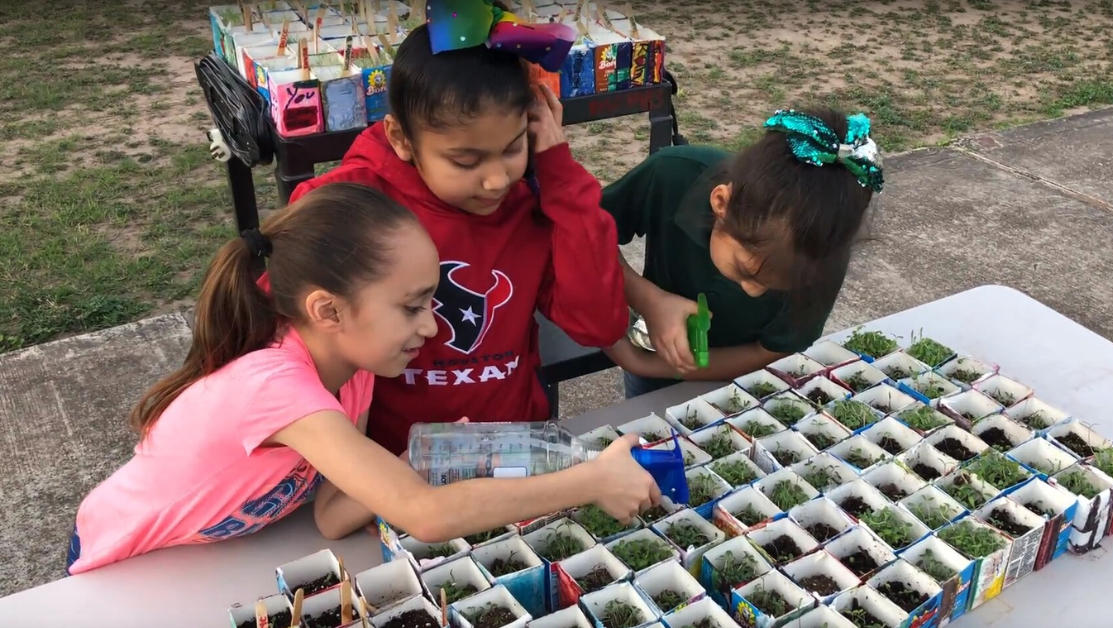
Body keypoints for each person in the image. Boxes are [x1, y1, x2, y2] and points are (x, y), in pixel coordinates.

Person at [66, 184, 657, 575]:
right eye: (412, 306)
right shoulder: (275, 385)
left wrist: (413, 461)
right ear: (328, 311)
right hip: (119, 565)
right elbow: (423, 515)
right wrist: (590, 481)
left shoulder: (354, 374)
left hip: (201, 561)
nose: (432, 326)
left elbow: (332, 513)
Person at [283, 14, 626, 455]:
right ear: (401, 139)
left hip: (514, 451)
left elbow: (597, 322)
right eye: (466, 162)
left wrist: (558, 170)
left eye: (513, 148)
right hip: (394, 468)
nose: (495, 181)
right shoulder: (356, 206)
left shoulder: (534, 202)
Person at [601, 108, 884, 397]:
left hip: (743, 385)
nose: (753, 292)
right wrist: (647, 299)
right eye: (745, 270)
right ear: (721, 203)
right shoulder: (672, 175)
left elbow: (767, 351)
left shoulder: (823, 257)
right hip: (655, 357)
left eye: (775, 286)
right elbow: (585, 235)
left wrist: (645, 364)